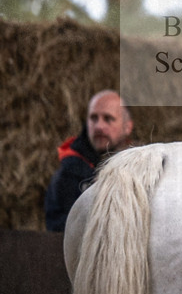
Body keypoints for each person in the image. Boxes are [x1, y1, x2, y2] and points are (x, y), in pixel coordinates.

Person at [44, 90, 134, 232]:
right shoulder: (67, 176)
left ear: (127, 127)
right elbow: (58, 231)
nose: (99, 126)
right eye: (93, 118)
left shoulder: (143, 171)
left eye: (108, 118)